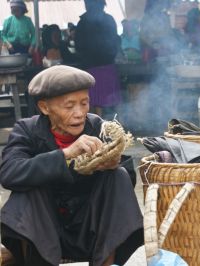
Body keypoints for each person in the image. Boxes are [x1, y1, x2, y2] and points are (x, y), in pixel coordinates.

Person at [0, 65, 144, 265]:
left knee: (118, 176)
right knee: (27, 187)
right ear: (44, 107)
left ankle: (106, 263)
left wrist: (112, 163)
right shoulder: (27, 130)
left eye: (84, 103)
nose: (79, 113)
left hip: (90, 229)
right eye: (69, 106)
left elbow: (125, 179)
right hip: (44, 232)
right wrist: (66, 154)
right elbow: (9, 173)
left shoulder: (98, 127)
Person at [75, 0, 121, 118]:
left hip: (92, 66)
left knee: (96, 100)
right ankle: (117, 124)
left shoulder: (83, 22)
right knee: (110, 98)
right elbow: (116, 41)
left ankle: (98, 125)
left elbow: (78, 45)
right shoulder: (109, 19)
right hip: (107, 64)